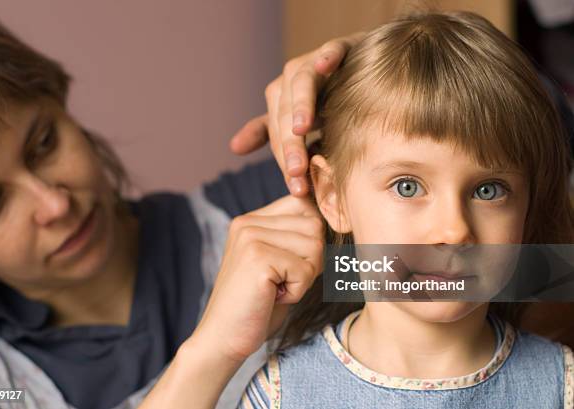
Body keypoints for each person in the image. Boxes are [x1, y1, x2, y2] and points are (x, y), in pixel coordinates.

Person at [0, 6, 354, 409]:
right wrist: (213, 352)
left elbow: (419, 277)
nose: (55, 204)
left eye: (44, 144)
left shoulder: (275, 208)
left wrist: (382, 74)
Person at [237, 11, 574, 408]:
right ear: (331, 195)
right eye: (408, 186)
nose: (453, 231)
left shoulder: (562, 386)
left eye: (488, 190)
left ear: (527, 206)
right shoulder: (281, 394)